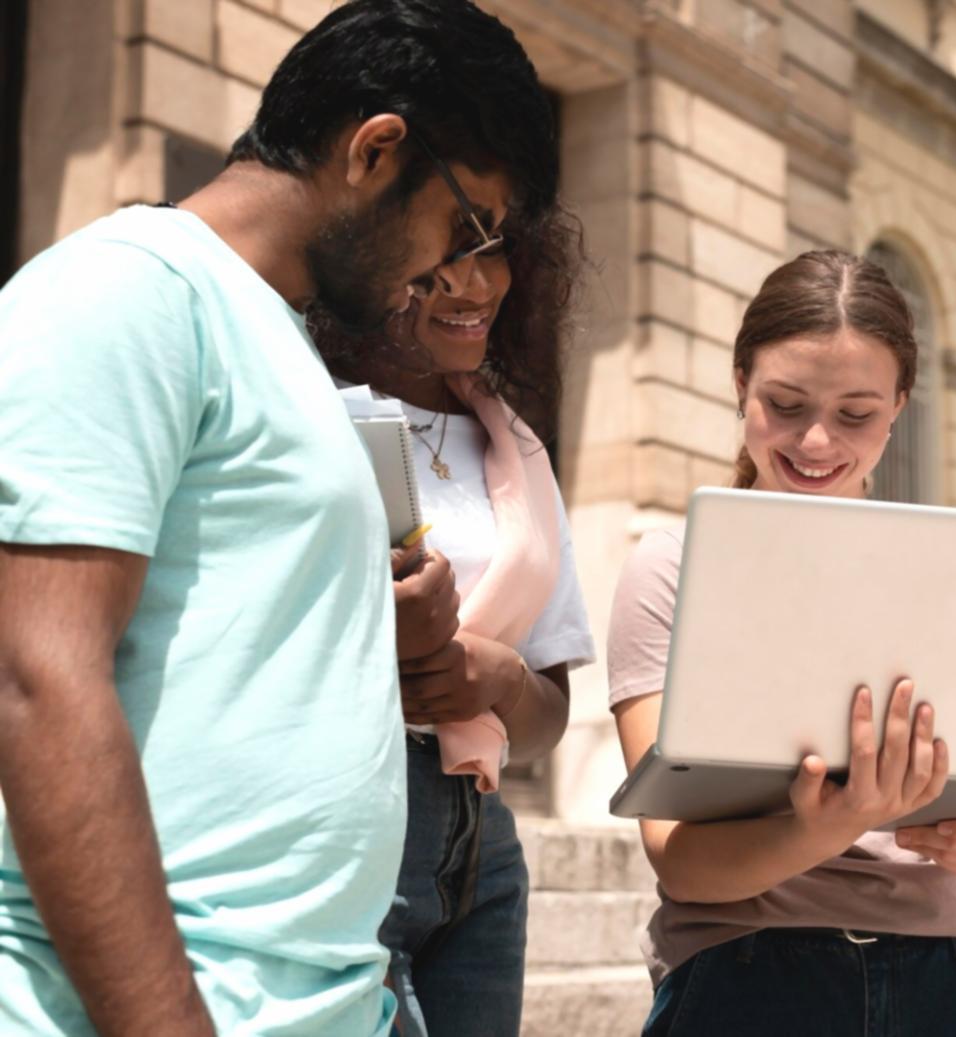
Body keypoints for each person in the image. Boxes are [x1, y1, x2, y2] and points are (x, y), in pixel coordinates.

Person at [0, 2, 557, 1034]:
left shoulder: (283, 342)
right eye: (464, 223)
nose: (449, 269)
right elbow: (37, 675)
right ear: (377, 150)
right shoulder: (129, 289)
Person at [606, 250, 956, 1037]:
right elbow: (680, 857)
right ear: (739, 383)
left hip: (950, 976)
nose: (817, 439)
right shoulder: (674, 567)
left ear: (900, 403)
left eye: (856, 414)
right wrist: (829, 823)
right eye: (785, 403)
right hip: (749, 972)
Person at [319, 201, 593, 1037]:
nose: (477, 284)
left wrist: (497, 677)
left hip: (481, 853)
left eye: (495, 252)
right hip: (343, 820)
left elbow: (547, 715)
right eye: (446, 255)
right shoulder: (303, 409)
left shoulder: (516, 448)